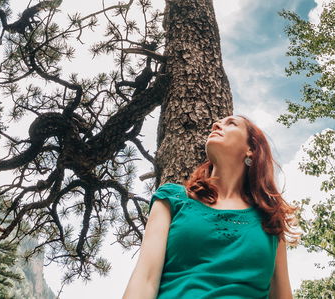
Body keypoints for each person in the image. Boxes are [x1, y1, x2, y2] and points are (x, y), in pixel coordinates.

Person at [123, 114, 298, 298]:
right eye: (217, 123)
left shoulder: (271, 221)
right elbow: (145, 279)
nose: (215, 124)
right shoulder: (172, 199)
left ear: (251, 149)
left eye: (231, 123)